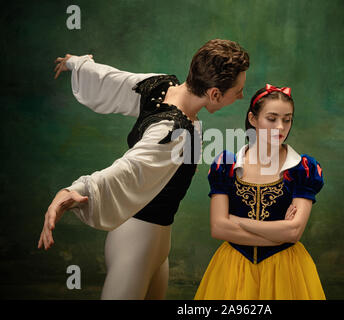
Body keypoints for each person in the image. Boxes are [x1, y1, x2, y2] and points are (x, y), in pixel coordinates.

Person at [37, 39, 249, 299]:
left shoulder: (161, 85)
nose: (241, 96)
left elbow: (115, 79)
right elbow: (129, 168)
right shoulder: (172, 132)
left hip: (157, 243)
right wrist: (75, 190)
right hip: (135, 240)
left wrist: (76, 63)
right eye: (238, 91)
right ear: (215, 93)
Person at [194, 84, 326, 300]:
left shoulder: (302, 168)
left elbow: (293, 233)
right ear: (253, 119)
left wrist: (237, 221)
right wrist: (277, 234)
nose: (280, 127)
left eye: (287, 119)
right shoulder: (227, 164)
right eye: (272, 118)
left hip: (286, 270)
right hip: (233, 269)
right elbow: (218, 228)